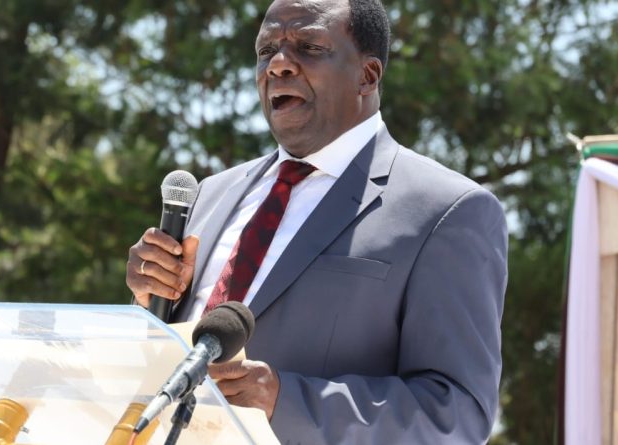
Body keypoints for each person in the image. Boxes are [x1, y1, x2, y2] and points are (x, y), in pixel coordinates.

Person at [125, 0, 508, 443]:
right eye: (266, 50)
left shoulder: (447, 211)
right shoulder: (210, 195)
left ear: (368, 76)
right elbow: (165, 357)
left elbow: (456, 414)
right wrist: (147, 302)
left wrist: (283, 400)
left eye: (308, 46)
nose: (279, 65)